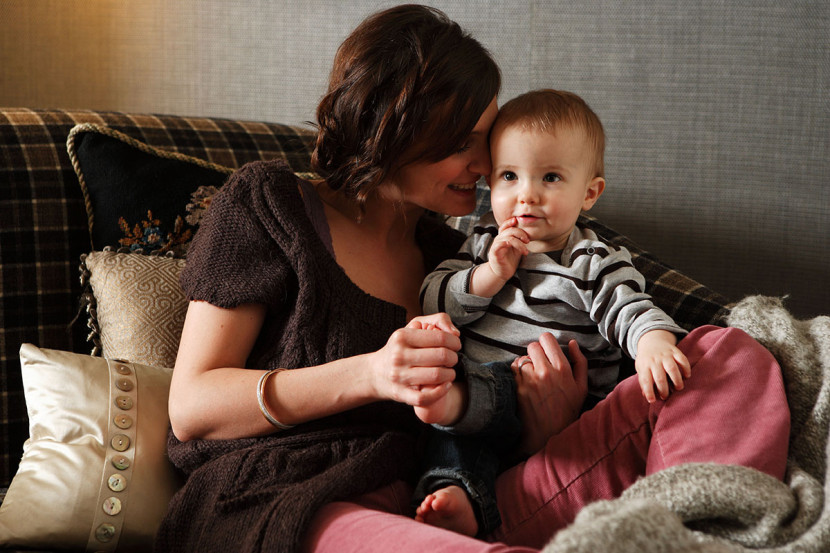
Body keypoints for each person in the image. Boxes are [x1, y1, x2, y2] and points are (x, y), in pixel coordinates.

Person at [156, 5, 790, 553]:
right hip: (287, 502)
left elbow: (474, 415)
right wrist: (372, 373)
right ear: (396, 126)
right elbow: (192, 409)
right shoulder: (271, 206)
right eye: (468, 140)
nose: (489, 168)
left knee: (724, 355)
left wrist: (546, 427)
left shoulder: (459, 249)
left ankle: (698, 532)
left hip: (458, 495)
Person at [413, 89, 692, 538]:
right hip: (475, 421)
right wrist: (490, 274)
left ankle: (459, 405)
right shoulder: (484, 242)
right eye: (509, 176)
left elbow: (628, 306)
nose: (527, 196)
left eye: (550, 178)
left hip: (562, 422)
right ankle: (459, 498)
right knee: (453, 450)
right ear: (490, 182)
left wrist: (653, 343)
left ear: (590, 193)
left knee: (471, 394)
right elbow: (432, 299)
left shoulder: (590, 260)